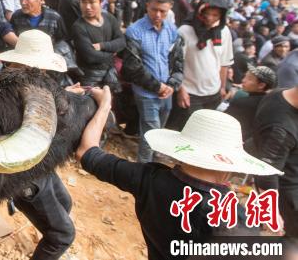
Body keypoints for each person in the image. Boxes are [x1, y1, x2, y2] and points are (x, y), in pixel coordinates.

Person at [77, 101, 281, 259]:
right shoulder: (233, 217)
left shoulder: (147, 179)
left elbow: (87, 152)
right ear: (230, 164)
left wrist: (104, 105)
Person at [0, 30, 75, 260]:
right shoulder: (14, 91)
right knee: (62, 234)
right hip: (26, 175)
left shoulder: (26, 83)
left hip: (41, 164)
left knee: (65, 203)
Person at [121, 0, 184, 162]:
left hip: (167, 90)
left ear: (169, 9)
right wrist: (157, 87)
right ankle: (144, 166)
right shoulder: (135, 31)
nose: (157, 14)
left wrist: (172, 85)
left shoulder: (171, 30)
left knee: (159, 129)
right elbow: (133, 66)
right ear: (147, 5)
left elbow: (177, 60)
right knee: (151, 131)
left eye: (162, 11)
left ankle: (155, 157)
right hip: (146, 91)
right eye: (154, 9)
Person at [169, 0, 234, 131]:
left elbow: (224, 62)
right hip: (190, 93)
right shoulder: (185, 31)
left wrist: (222, 87)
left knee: (200, 131)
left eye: (215, 15)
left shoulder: (224, 31)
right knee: (182, 130)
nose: (210, 18)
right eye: (207, 14)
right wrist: (181, 89)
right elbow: (175, 63)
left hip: (213, 93)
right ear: (200, 12)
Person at [251, 85, 298, 238]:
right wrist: (271, 213)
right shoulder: (280, 129)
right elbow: (266, 173)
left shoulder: (279, 93)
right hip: (289, 194)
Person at [71, 0, 125, 90]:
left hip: (110, 73)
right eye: (83, 2)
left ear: (100, 2)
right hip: (90, 77)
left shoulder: (109, 18)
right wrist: (113, 53)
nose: (87, 7)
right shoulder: (78, 27)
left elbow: (122, 42)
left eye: (91, 2)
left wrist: (102, 45)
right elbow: (91, 57)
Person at [225, 65, 277, 141]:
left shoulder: (242, 103)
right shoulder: (270, 102)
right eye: (245, 76)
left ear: (261, 85)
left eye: (249, 78)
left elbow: (224, 121)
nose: (243, 80)